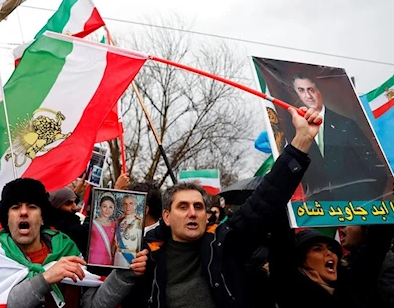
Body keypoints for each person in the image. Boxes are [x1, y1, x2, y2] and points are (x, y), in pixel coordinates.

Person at [122, 106, 321, 308]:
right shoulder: (145, 256)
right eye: (183, 207)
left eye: (198, 207)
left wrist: (302, 141)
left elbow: (265, 199)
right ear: (166, 216)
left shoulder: (225, 243)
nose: (192, 212)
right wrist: (127, 273)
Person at [0, 178, 148, 308]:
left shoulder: (68, 251)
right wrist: (45, 278)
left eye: (32, 207)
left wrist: (124, 274)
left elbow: (93, 304)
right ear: (7, 218)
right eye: (15, 207)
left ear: (42, 217)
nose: (23, 212)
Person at [290, 74, 389, 201]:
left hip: (359, 207)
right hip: (322, 212)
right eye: (301, 90)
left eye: (311, 89)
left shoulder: (346, 124)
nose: (308, 96)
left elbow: (377, 170)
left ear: (319, 91)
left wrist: (368, 201)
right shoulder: (296, 131)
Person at [270, 225, 394, 308]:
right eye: (317, 249)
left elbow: (375, 245)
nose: (329, 253)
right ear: (301, 260)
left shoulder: (351, 285)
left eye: (330, 249)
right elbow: (281, 243)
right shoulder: (290, 291)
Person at [48, 187, 89, 254]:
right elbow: (83, 232)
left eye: (75, 202)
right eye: (68, 203)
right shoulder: (63, 227)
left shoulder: (70, 221)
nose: (74, 207)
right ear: (57, 205)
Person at [114, 195, 142, 267]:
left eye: (131, 203)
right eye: (125, 204)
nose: (128, 206)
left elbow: (140, 244)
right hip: (117, 257)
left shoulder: (139, 222)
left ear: (135, 205)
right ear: (123, 206)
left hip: (130, 258)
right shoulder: (119, 221)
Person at [88, 192, 116, 266]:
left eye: (110, 207)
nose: (107, 210)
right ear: (100, 207)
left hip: (108, 263)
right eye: (104, 206)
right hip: (92, 261)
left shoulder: (115, 225)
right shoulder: (92, 223)